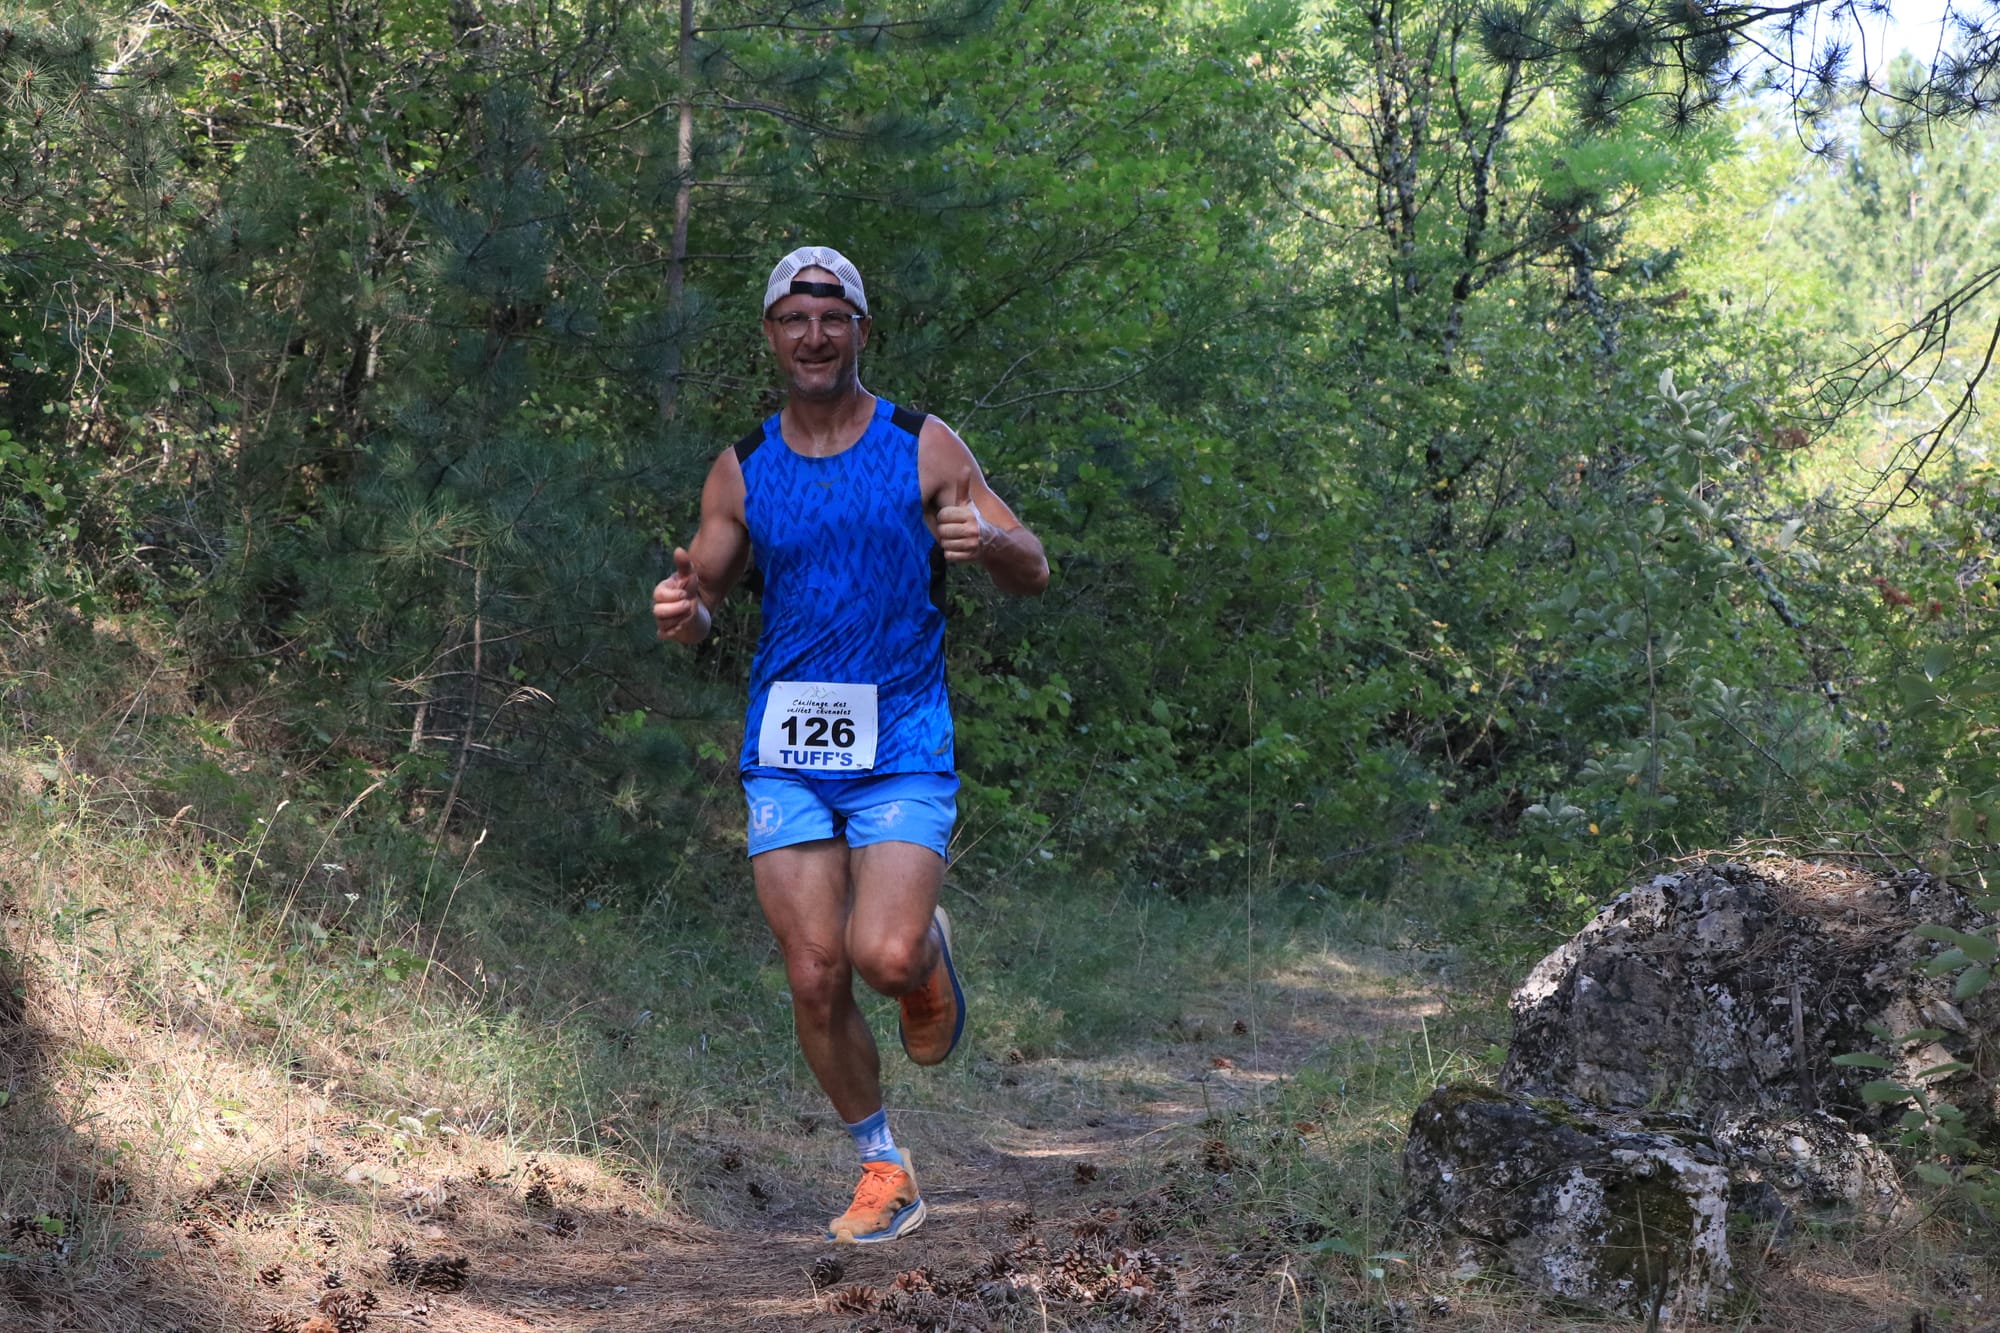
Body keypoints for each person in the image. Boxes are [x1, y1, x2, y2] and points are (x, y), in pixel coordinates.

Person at [651, 246, 1048, 1244]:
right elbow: (701, 598)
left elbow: (1030, 564)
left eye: (833, 317)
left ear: (861, 330)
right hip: (785, 747)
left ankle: (918, 957)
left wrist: (987, 544)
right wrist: (683, 616)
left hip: (901, 739)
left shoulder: (922, 445)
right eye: (794, 318)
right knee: (813, 972)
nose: (814, 336)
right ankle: (881, 1164)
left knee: (875, 955)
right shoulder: (743, 468)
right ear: (771, 336)